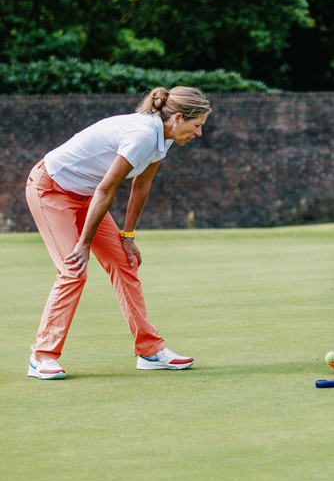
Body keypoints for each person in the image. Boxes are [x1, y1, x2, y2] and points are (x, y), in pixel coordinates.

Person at [25, 86, 211, 380]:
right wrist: (84, 243)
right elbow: (106, 188)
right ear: (177, 118)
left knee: (125, 262)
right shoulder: (143, 135)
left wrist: (128, 236)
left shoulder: (163, 138)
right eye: (196, 125)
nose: (199, 133)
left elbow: (141, 185)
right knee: (73, 269)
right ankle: (42, 356)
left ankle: (150, 351)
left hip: (87, 197)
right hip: (51, 189)